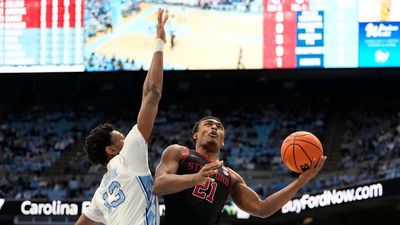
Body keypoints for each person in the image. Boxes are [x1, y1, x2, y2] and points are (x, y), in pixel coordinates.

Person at [75, 9, 168, 225]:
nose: (128, 138)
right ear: (112, 149)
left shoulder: (101, 193)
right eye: (122, 138)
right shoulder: (128, 157)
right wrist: (159, 43)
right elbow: (152, 93)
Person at [154, 116, 327, 225]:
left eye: (219, 127)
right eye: (208, 124)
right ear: (196, 135)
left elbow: (262, 209)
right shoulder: (178, 152)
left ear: (223, 142)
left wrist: (300, 182)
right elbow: (159, 185)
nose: (214, 128)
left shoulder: (230, 176)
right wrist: (195, 178)